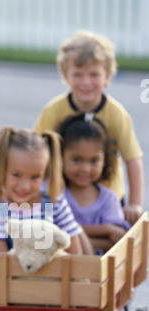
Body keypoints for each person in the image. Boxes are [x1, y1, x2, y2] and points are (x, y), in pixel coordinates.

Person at [33, 30, 144, 225]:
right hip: (63, 197)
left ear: (107, 77)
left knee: (115, 242)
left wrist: (134, 203)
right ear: (66, 76)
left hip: (108, 199)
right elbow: (35, 152)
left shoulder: (117, 114)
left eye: (94, 75)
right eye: (78, 74)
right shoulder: (53, 111)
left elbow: (133, 159)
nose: (86, 82)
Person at [0, 125, 83, 253]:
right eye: (16, 175)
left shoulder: (55, 204)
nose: (25, 187)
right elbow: (0, 263)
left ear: (45, 174)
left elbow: (75, 254)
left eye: (35, 177)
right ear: (2, 169)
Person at [58, 113, 131, 253]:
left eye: (94, 161)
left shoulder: (108, 199)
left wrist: (72, 240)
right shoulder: (55, 193)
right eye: (77, 160)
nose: (85, 169)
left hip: (99, 273)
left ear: (105, 160)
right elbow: (51, 230)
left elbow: (117, 239)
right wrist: (106, 229)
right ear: (61, 157)